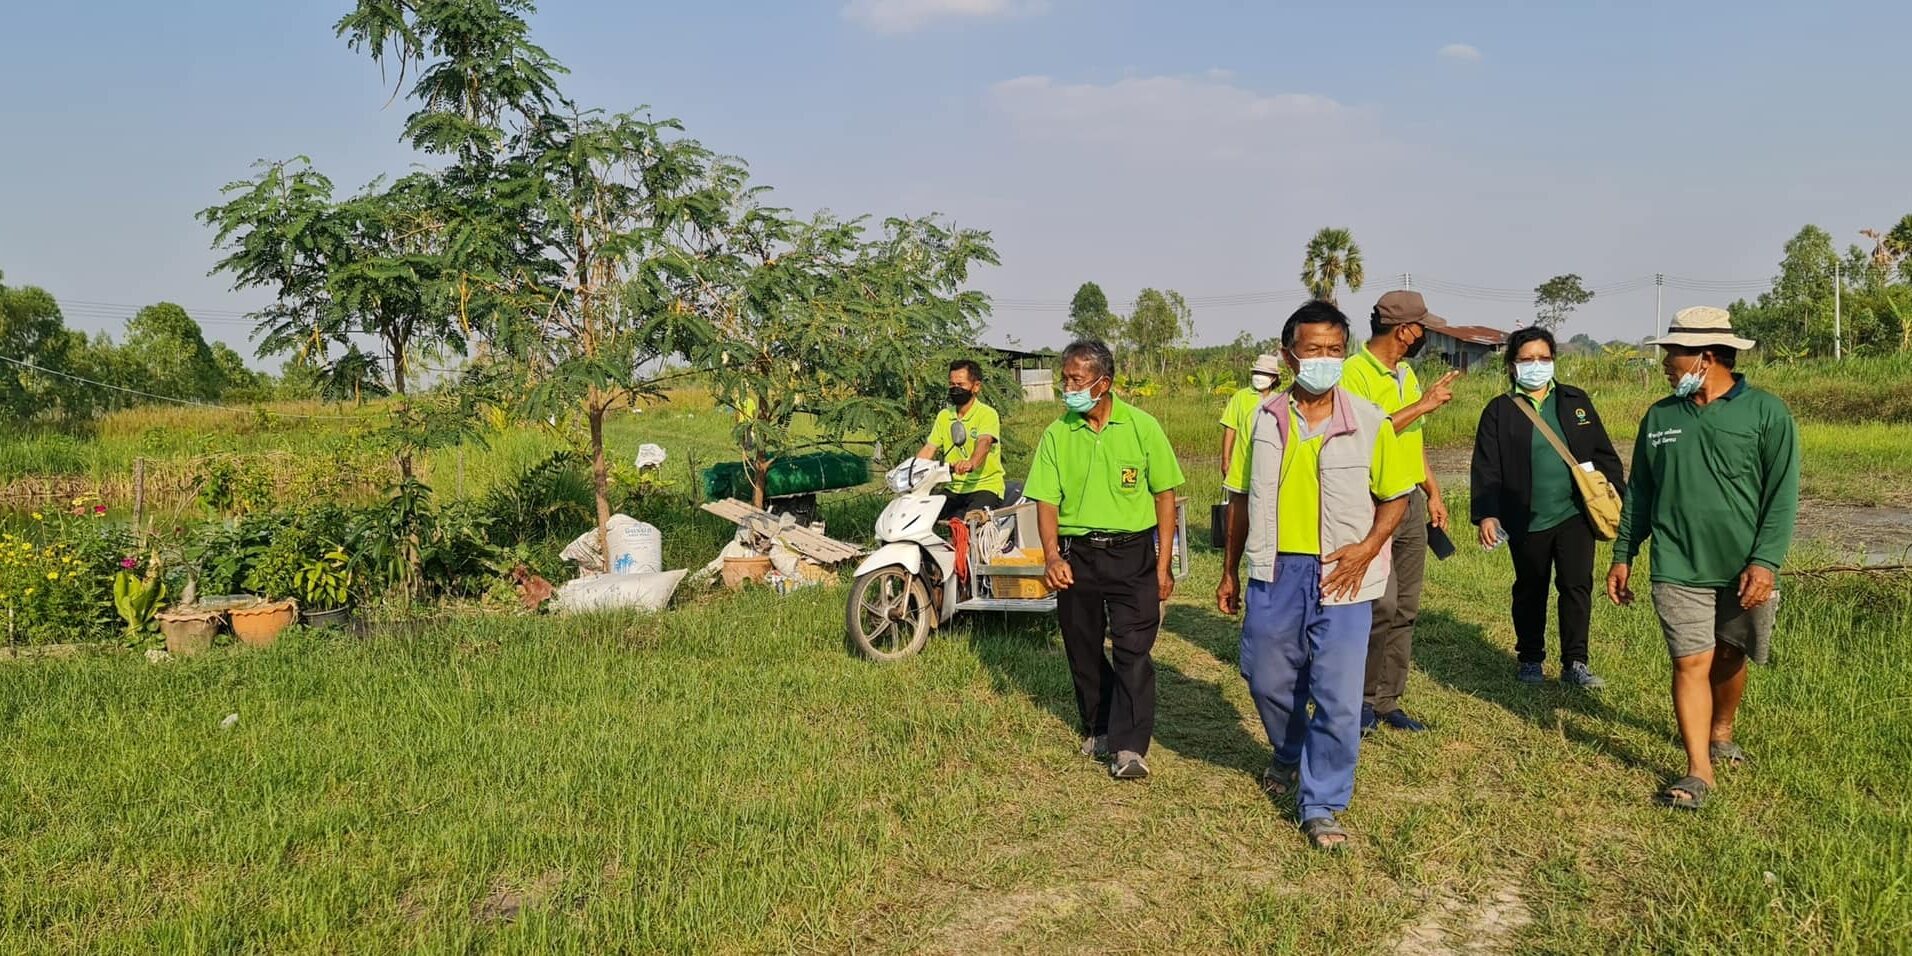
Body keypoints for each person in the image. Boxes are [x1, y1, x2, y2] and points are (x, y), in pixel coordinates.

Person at [1217, 301, 1415, 850]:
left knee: (1340, 696)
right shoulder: (1261, 419)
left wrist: (1368, 549)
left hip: (1343, 573)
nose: (1324, 359)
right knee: (1265, 676)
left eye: (1334, 350)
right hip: (1275, 568)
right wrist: (1229, 571)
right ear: (1289, 356)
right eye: (1313, 350)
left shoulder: (1370, 421)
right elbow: (1238, 500)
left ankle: (1321, 801)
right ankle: (1290, 750)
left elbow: (1396, 497)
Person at [1606, 307, 1799, 811]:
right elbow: (1640, 492)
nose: (1665, 364)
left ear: (1706, 357)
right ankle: (1698, 771)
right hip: (1677, 562)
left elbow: (1781, 496)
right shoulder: (1660, 417)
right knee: (1691, 660)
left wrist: (1765, 562)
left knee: (1731, 653)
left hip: (1743, 567)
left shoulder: (1767, 413)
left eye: (1673, 354)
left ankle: (1721, 730)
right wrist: (1624, 553)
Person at [1023, 340, 1186, 780]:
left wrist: (1163, 563)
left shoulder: (1142, 427)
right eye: (1065, 378)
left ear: (1103, 383)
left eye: (1076, 379)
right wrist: (1051, 555)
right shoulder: (1058, 434)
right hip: (1078, 556)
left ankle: (1129, 747)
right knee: (1082, 646)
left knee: (1133, 648)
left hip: (1133, 554)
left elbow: (1165, 495)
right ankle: (1098, 725)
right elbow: (1045, 501)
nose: (1068, 387)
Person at [1469, 327, 1625, 688]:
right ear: (1512, 365)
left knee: (1576, 586)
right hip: (1526, 517)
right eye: (1527, 359)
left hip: (1575, 514)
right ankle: (1530, 659)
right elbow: (1486, 467)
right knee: (1530, 588)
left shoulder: (1575, 401)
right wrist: (1487, 513)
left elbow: (1604, 454)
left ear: (1554, 360)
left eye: (1543, 358)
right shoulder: (1500, 410)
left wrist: (1616, 493)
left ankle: (1575, 663)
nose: (1536, 365)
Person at [1340, 290, 1461, 735]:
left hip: (1410, 500)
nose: (1425, 335)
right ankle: (1359, 699)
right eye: (1423, 328)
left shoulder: (1406, 374)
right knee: (1380, 603)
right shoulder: (1353, 373)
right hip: (1372, 502)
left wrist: (1433, 491)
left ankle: (1388, 701)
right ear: (1406, 331)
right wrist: (1424, 404)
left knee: (1406, 606)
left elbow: (1413, 439)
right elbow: (1368, 433)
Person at [916, 359, 1006, 521]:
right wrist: (912, 470)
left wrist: (971, 463)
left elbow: (984, 442)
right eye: (952, 384)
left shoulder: (987, 414)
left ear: (976, 386)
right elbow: (929, 448)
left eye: (961, 384)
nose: (955, 389)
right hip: (954, 488)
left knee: (970, 522)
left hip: (985, 487)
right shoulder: (944, 416)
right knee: (922, 516)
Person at [1218, 353, 1284, 477]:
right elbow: (1230, 429)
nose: (1259, 376)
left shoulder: (1279, 400)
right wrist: (1225, 460)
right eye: (1257, 372)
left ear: (1273, 378)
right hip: (1240, 467)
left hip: (1268, 467)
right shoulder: (1240, 396)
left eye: (1264, 373)